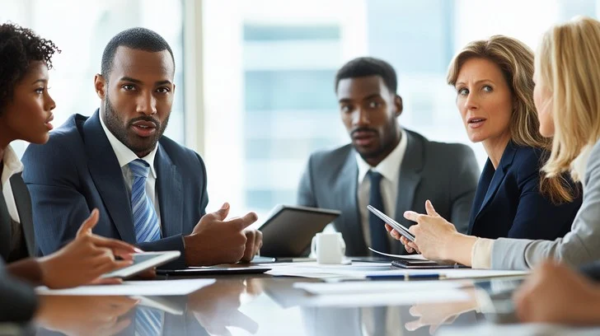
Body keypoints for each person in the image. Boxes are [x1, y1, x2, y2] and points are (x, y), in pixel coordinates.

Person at [22, 28, 262, 268]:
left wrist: (231, 244)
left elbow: (204, 249)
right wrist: (191, 249)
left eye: (161, 90)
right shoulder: (54, 154)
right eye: (130, 87)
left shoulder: (189, 166)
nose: (148, 107)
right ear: (100, 87)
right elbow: (69, 263)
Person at [392, 16, 600, 270]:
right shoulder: (494, 166)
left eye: (486, 88)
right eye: (463, 91)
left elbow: (557, 259)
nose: (470, 103)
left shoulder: (542, 162)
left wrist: (453, 244)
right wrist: (444, 244)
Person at [0, 23, 140, 323]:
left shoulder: (14, 180)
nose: (51, 103)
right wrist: (47, 273)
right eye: (38, 90)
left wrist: (69, 267)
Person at [297, 57, 480, 256]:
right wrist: (257, 241)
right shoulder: (320, 168)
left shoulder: (453, 162)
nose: (360, 120)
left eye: (373, 104)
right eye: (348, 108)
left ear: (397, 105)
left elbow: (471, 248)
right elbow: (288, 248)